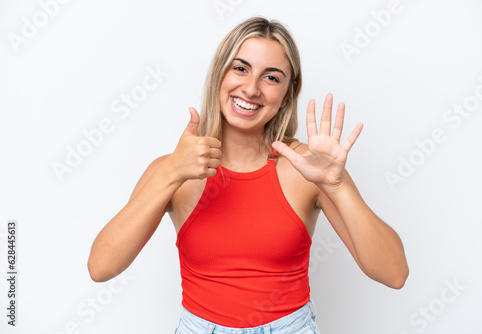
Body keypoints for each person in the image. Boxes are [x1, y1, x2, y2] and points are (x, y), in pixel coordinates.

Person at [87, 17, 409, 333]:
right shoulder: (173, 170)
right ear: (219, 74)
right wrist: (171, 173)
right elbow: (101, 268)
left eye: (271, 77)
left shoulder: (308, 167)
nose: (251, 88)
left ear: (287, 92)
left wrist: (337, 186)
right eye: (240, 68)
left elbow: (394, 274)